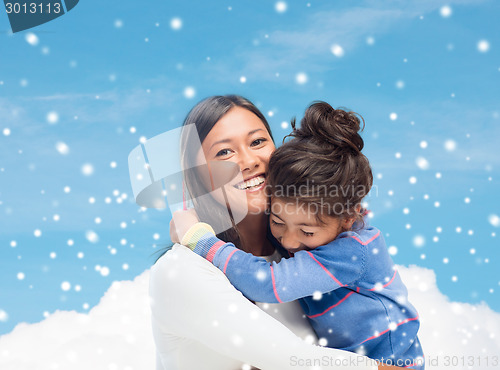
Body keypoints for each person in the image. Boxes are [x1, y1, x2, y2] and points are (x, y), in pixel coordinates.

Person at [176, 102, 424, 369]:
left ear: (349, 218)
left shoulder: (351, 250)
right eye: (278, 221)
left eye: (257, 141)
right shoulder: (182, 271)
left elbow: (268, 284)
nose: (290, 242)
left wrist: (200, 239)